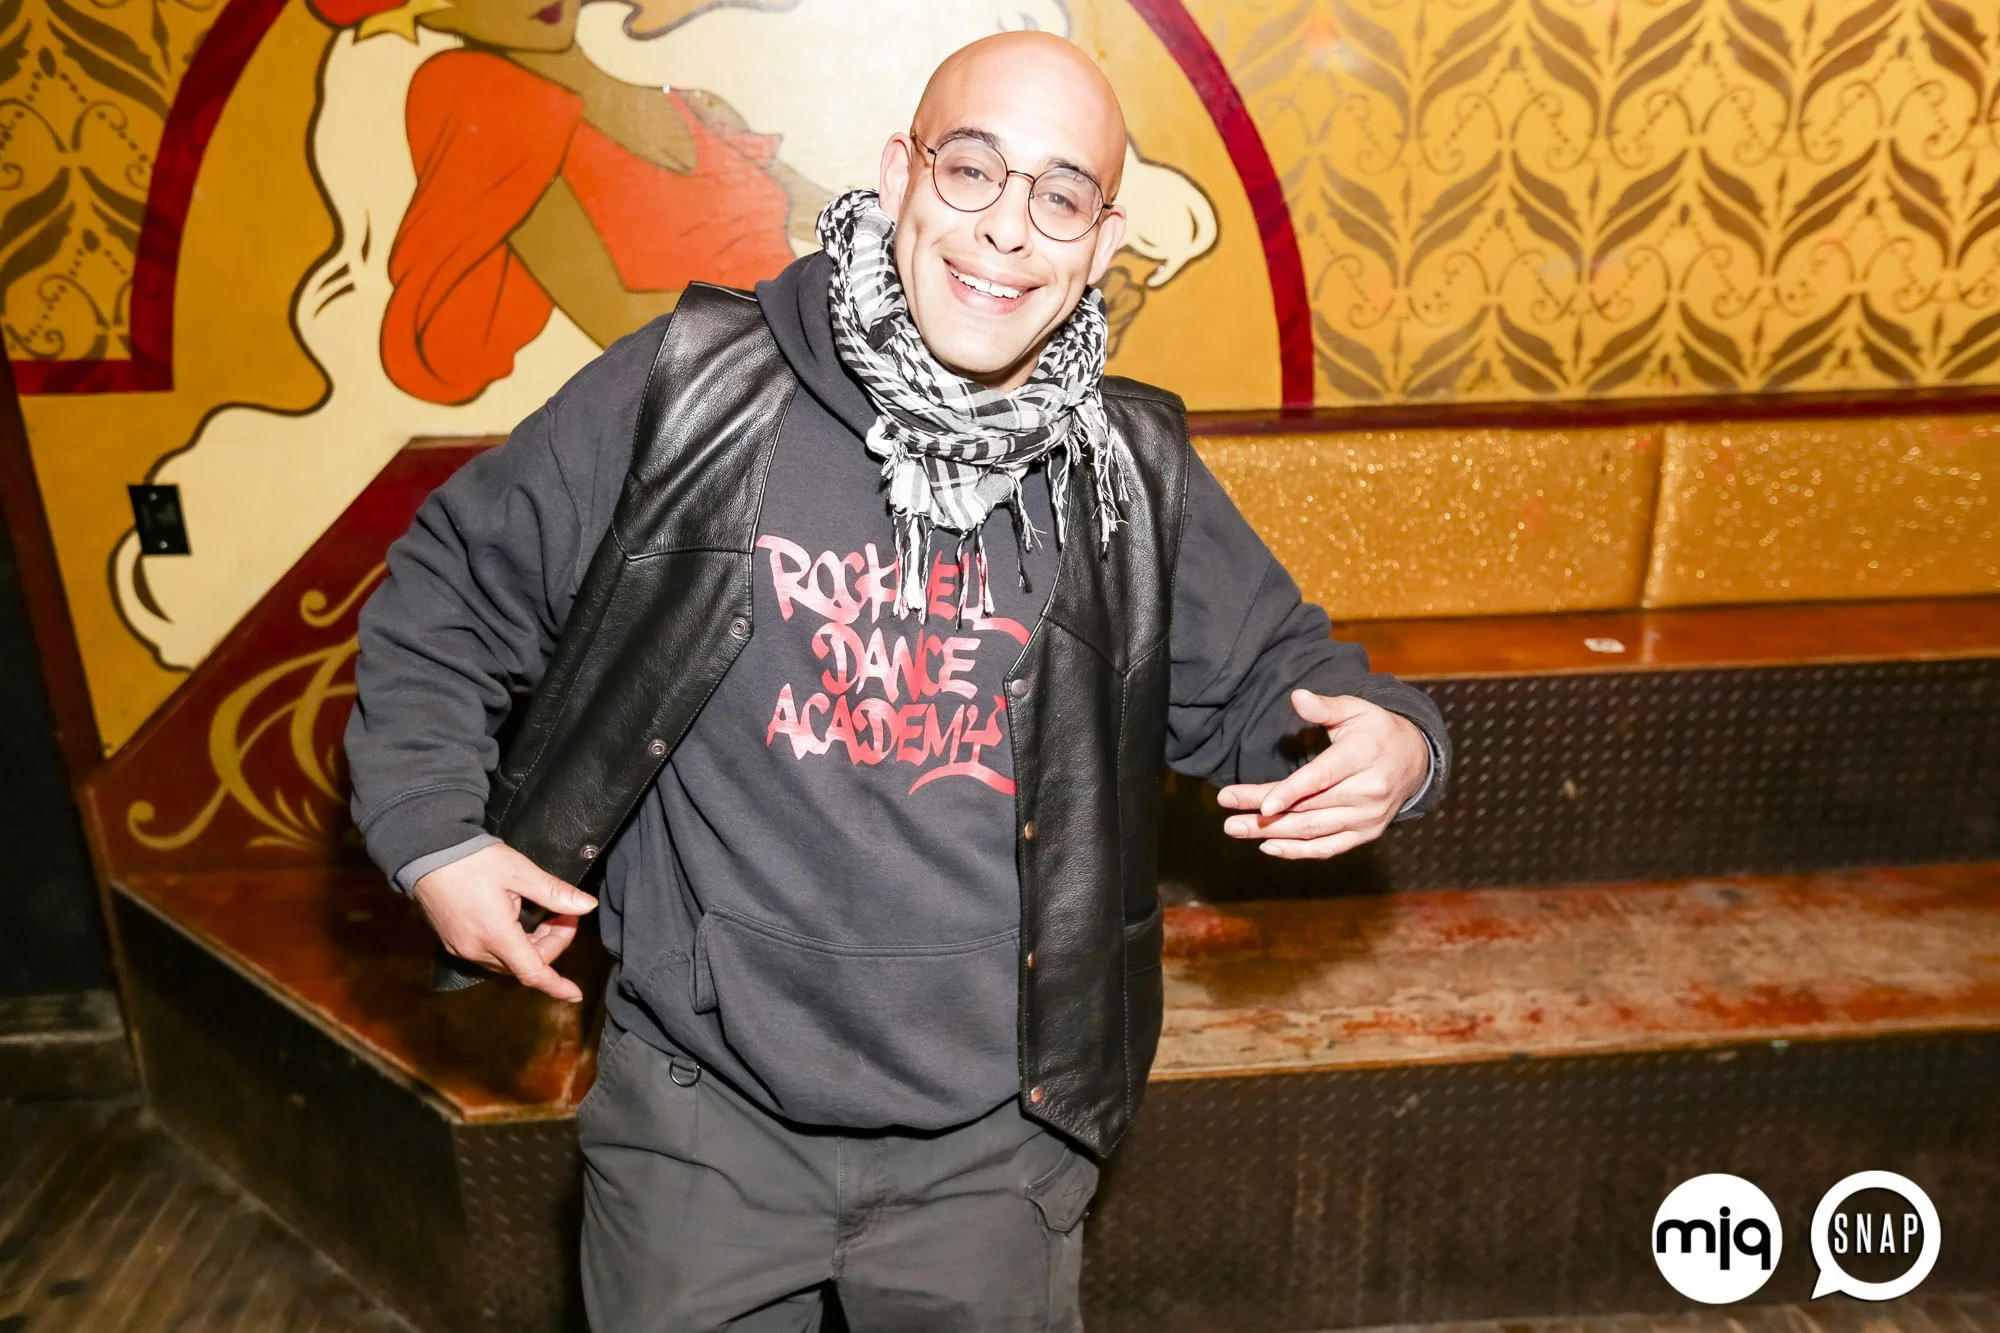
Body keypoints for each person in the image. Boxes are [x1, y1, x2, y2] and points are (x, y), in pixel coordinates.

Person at [345, 30, 1451, 1332]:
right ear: (897, 175)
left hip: (995, 1145)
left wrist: (1391, 744)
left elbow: (1281, 678)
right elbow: (452, 587)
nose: (1006, 231)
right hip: (700, 1126)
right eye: (971, 170)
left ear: (1102, 241)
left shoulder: (1126, 472)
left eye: (1060, 195)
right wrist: (431, 833)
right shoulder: (692, 391)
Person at [309, 0, 821, 404]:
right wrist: (818, 350)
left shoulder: (695, 104)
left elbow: (836, 217)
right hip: (748, 400)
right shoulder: (516, 127)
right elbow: (623, 325)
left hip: (823, 367)